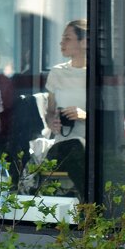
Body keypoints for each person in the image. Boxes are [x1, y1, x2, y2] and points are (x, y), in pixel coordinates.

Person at [44, 19, 88, 200]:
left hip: (90, 146)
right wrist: (52, 122)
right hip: (63, 145)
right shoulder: (57, 72)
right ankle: (90, 202)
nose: (61, 43)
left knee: (82, 149)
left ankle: (88, 203)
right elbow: (49, 113)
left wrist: (85, 116)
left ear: (84, 42)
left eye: (67, 38)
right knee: (74, 147)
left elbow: (109, 120)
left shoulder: (97, 74)